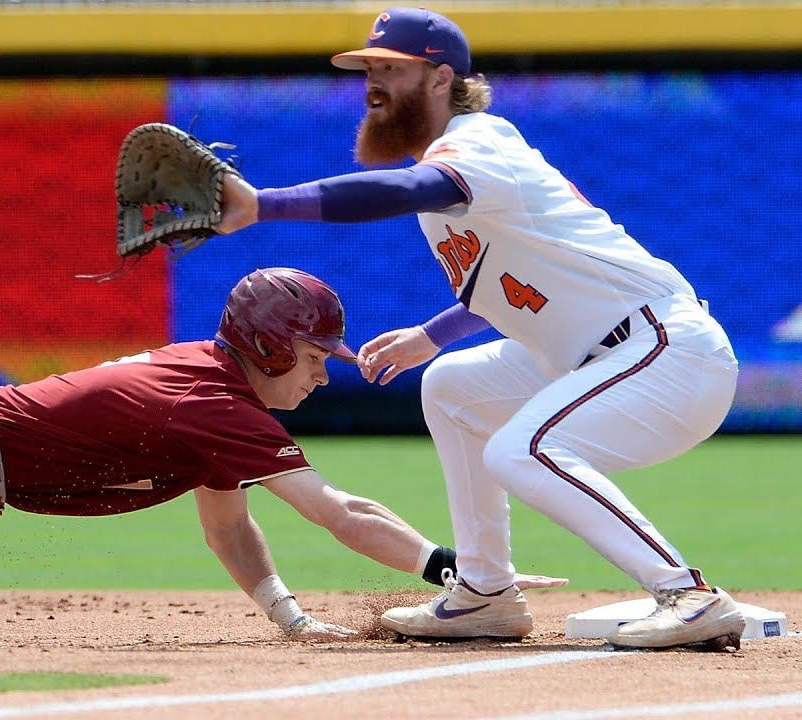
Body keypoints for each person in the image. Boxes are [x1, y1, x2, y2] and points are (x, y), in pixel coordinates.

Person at [213, 8, 744, 650]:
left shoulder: (478, 144)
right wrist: (432, 336)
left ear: (441, 79)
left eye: (391, 69)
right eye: (369, 70)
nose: (373, 84)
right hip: (598, 356)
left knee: (521, 449)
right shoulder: (452, 166)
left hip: (665, 352)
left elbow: (409, 188)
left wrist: (264, 204)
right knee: (452, 387)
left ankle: (688, 594)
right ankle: (486, 593)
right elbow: (514, 284)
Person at [0, 267, 563, 646]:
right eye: (315, 354)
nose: (326, 369)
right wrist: (457, 570)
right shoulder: (218, 404)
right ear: (266, 345)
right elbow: (341, 513)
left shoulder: (212, 389)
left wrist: (289, 617)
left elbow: (227, 528)